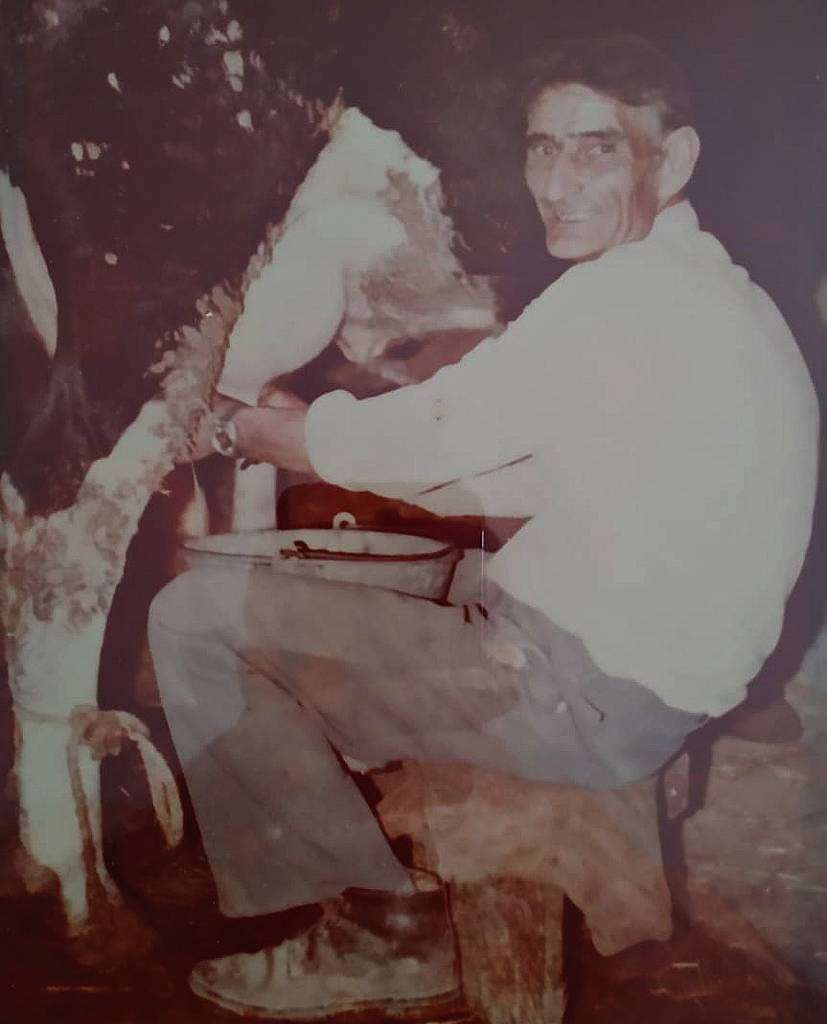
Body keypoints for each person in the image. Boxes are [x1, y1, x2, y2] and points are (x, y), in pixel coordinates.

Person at [148, 33, 819, 1020]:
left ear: (669, 160)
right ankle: (350, 830)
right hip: (622, 661)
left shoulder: (615, 301)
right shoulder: (703, 295)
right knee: (377, 569)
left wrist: (254, 423)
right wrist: (314, 438)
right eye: (540, 149)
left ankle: (378, 934)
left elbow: (427, 435)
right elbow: (512, 471)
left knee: (193, 621)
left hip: (578, 692)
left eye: (596, 149)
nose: (557, 180)